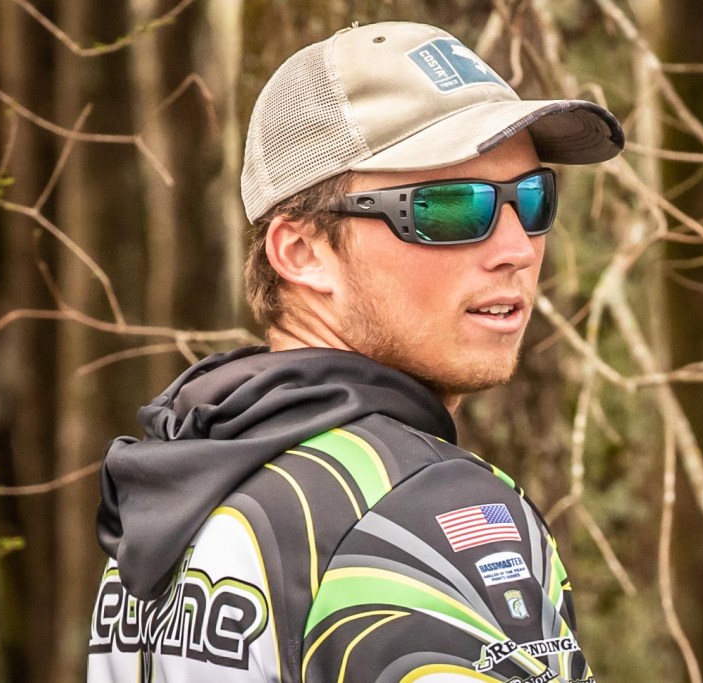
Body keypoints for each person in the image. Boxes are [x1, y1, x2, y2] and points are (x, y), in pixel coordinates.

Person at [87, 20, 623, 683]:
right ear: (302, 252)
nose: (517, 248)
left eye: (533, 198)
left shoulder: (174, 499)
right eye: (451, 209)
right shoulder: (426, 510)